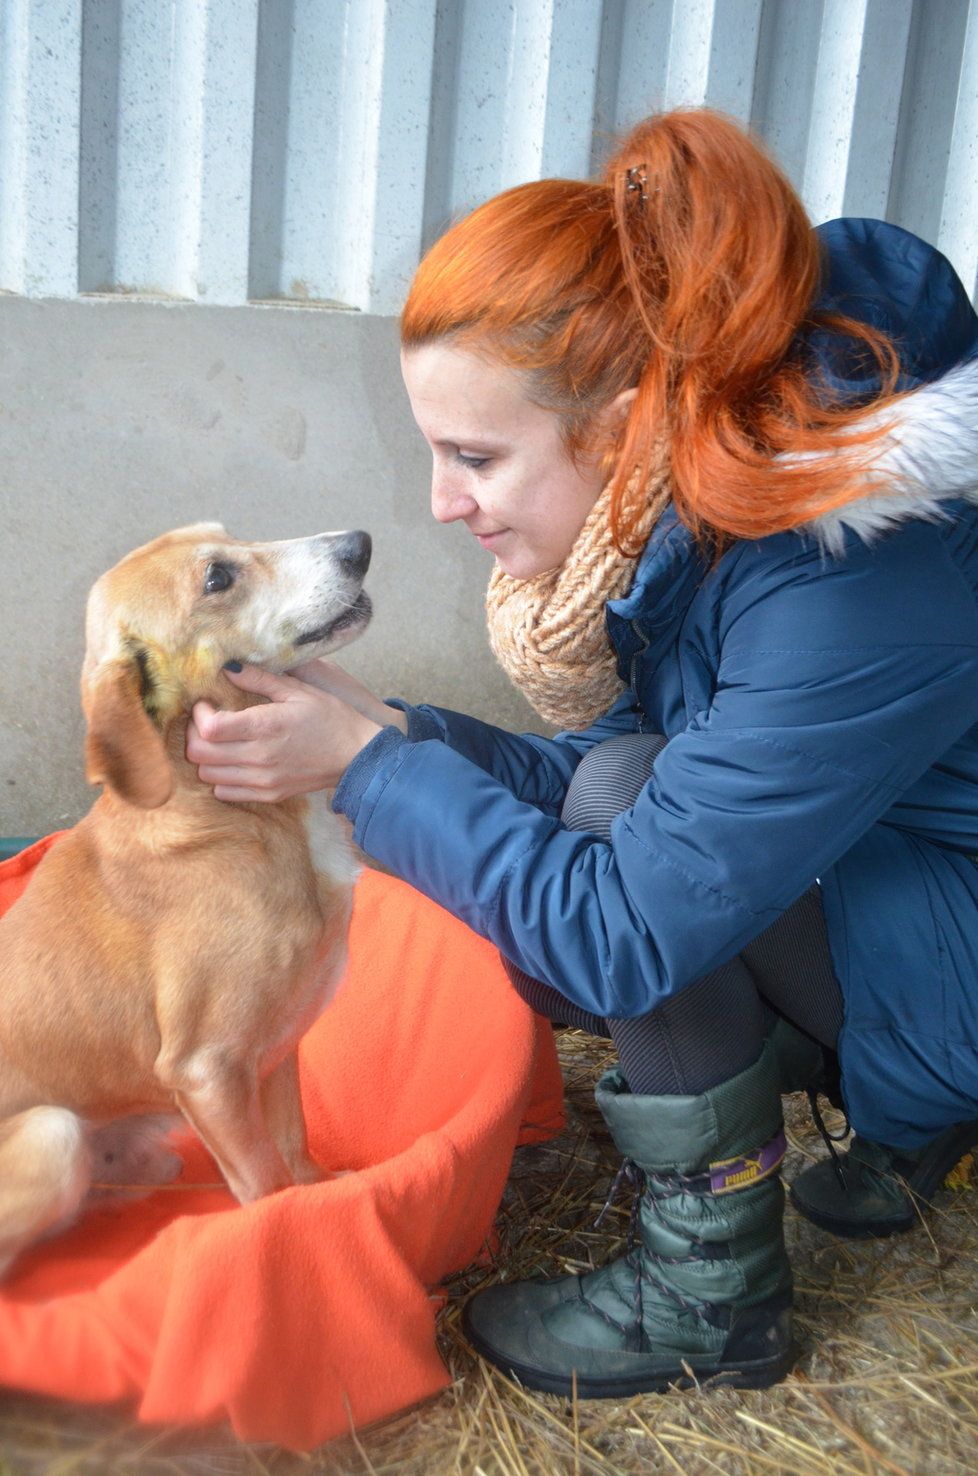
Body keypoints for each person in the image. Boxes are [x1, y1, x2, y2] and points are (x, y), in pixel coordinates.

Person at [187, 109, 978, 1397]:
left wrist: (375, 777)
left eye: (476, 457)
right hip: (914, 888)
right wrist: (395, 735)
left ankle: (712, 1303)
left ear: (618, 426)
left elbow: (620, 923)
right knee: (609, 804)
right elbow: (634, 764)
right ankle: (912, 1118)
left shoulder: (849, 579)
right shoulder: (719, 497)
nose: (442, 504)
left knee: (607, 864)